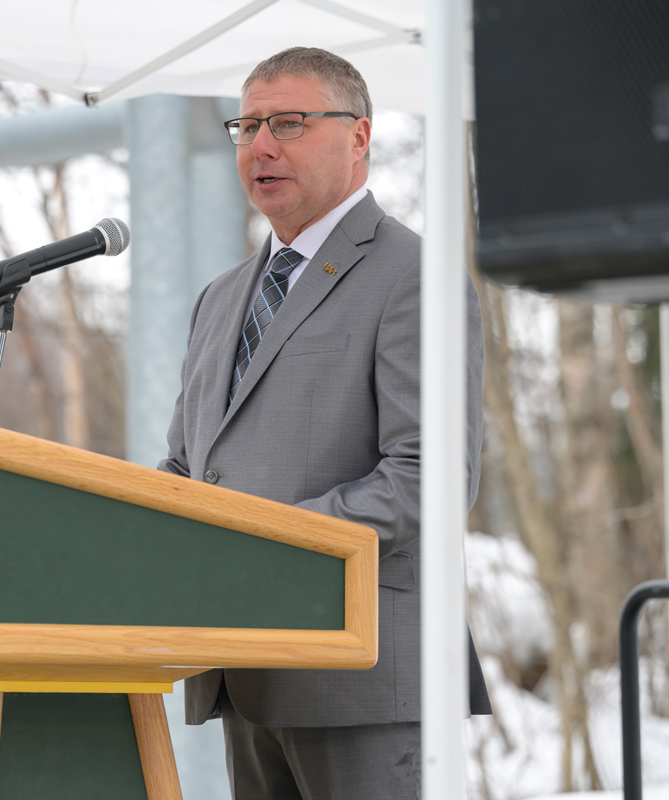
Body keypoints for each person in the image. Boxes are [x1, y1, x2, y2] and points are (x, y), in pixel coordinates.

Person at [157, 47, 490, 799]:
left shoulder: (414, 275)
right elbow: (187, 467)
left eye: (289, 123)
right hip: (243, 669)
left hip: (362, 678)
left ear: (359, 136)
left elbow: (428, 477)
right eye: (247, 126)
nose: (260, 146)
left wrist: (267, 547)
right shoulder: (220, 298)